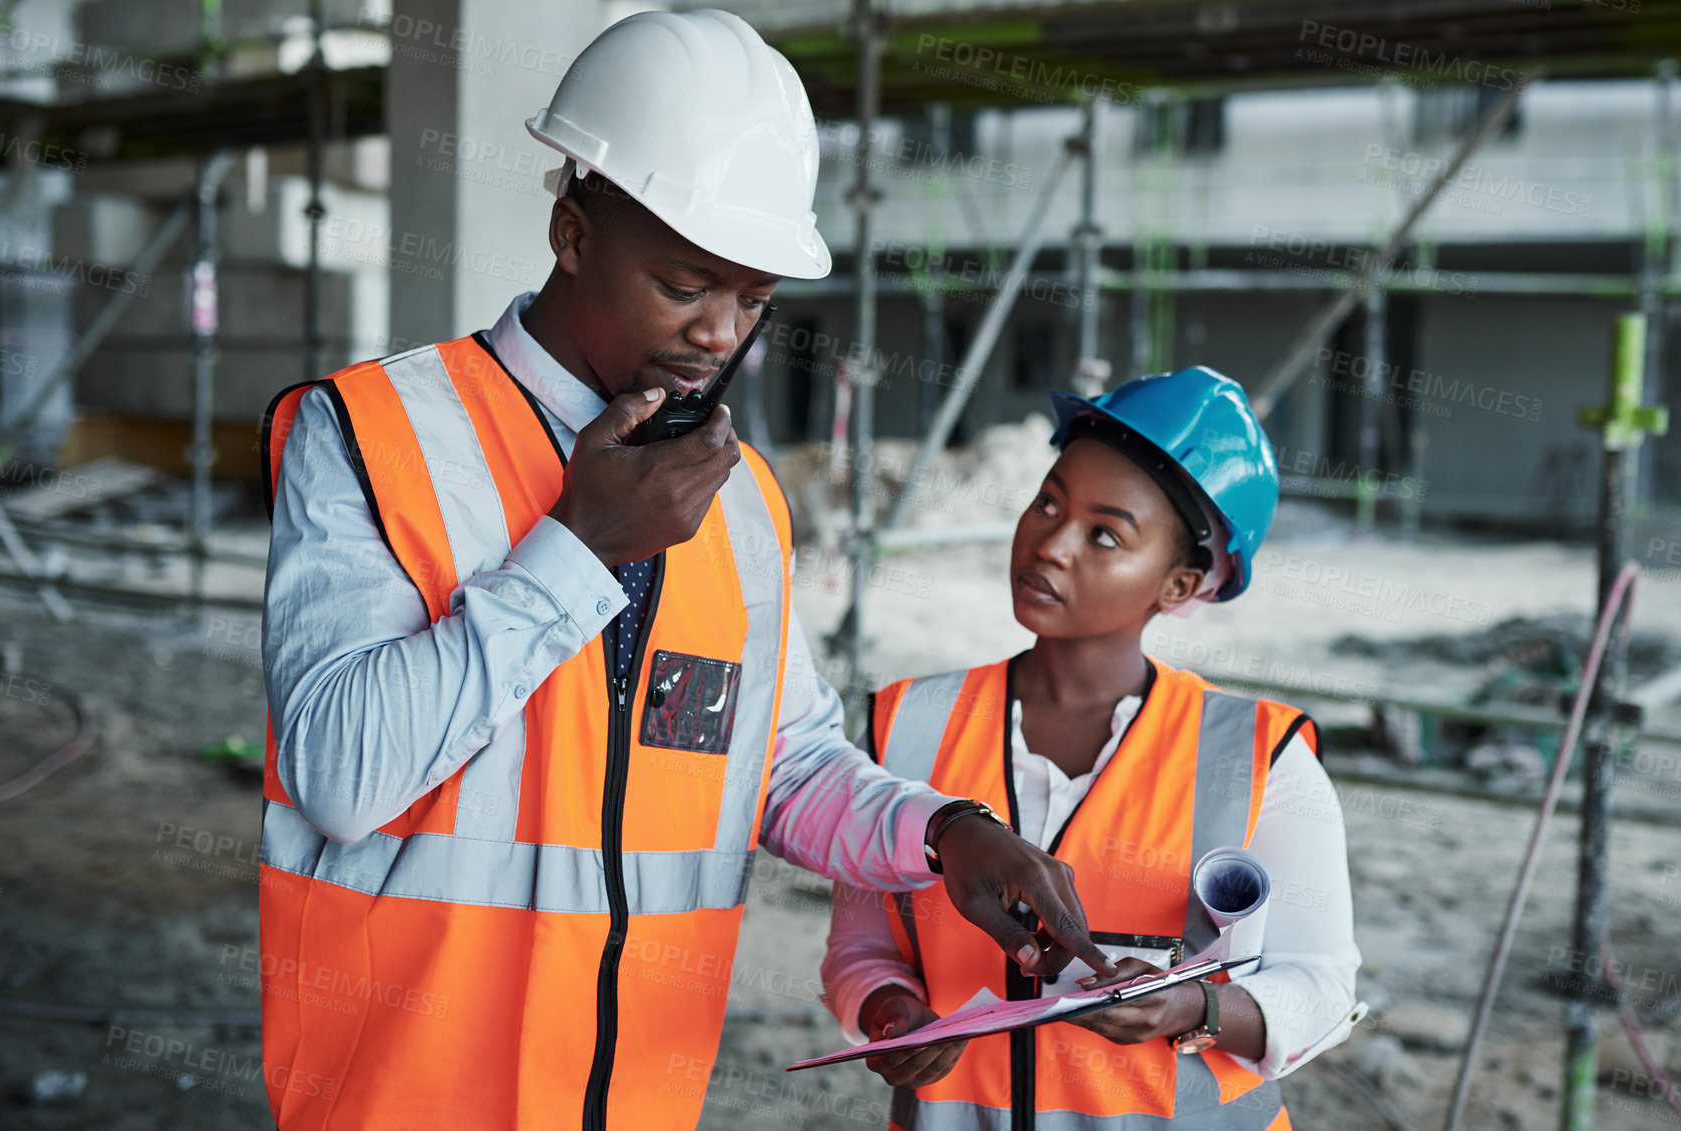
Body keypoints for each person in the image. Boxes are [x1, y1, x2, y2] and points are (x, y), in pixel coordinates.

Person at [253, 10, 1111, 1131]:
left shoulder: (742, 497)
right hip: (397, 1103)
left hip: (639, 1102)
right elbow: (339, 774)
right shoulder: (371, 435)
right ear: (571, 232)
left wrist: (949, 832)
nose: (719, 334)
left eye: (753, 300)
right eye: (685, 284)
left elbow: (781, 767)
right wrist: (579, 547)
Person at [821, 368, 1365, 1130]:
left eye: (1104, 534)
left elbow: (1321, 986)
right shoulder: (905, 724)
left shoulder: (1258, 757)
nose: (1050, 543)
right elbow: (861, 943)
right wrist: (885, 1009)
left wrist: (1194, 1006)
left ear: (1177, 584)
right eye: (1047, 502)